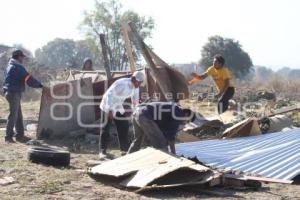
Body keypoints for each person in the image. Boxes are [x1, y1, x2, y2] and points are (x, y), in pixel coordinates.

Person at [99, 71, 144, 158]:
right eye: (138, 82)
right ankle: (102, 152)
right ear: (133, 79)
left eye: (140, 83)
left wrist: (136, 111)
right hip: (107, 105)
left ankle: (124, 149)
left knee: (124, 125)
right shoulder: (122, 84)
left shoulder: (136, 87)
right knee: (105, 128)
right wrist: (110, 110)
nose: (139, 84)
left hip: (118, 105)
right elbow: (109, 95)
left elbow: (135, 101)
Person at [3, 49, 43, 143]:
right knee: (13, 115)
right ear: (18, 57)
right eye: (22, 57)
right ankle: (8, 137)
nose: (23, 59)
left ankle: (19, 135)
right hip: (13, 93)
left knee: (18, 115)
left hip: (10, 92)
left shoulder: (10, 65)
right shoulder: (17, 67)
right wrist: (39, 85)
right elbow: (28, 78)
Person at [127, 102, 195, 154]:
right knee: (161, 144)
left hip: (137, 113)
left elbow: (164, 133)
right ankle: (166, 165)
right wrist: (174, 154)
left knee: (138, 140)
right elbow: (170, 137)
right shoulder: (177, 115)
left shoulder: (174, 110)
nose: (186, 123)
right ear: (186, 114)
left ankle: (127, 159)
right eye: (188, 121)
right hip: (145, 116)